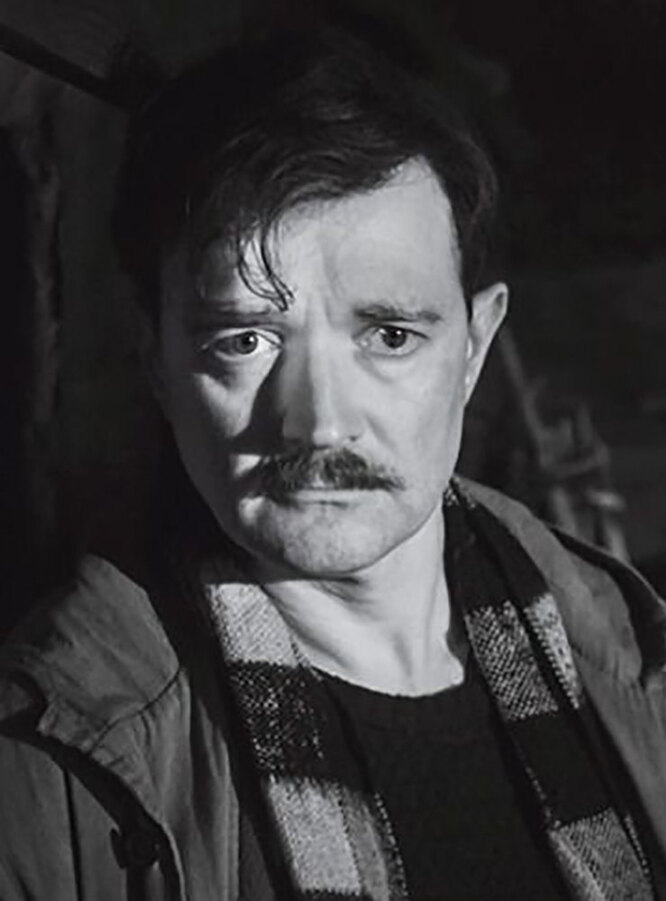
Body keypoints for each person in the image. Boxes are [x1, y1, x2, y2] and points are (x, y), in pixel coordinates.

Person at [1, 18, 666, 901]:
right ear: (156, 363)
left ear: (474, 345)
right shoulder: (50, 775)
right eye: (245, 339)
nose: (319, 423)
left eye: (389, 335)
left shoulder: (634, 654)